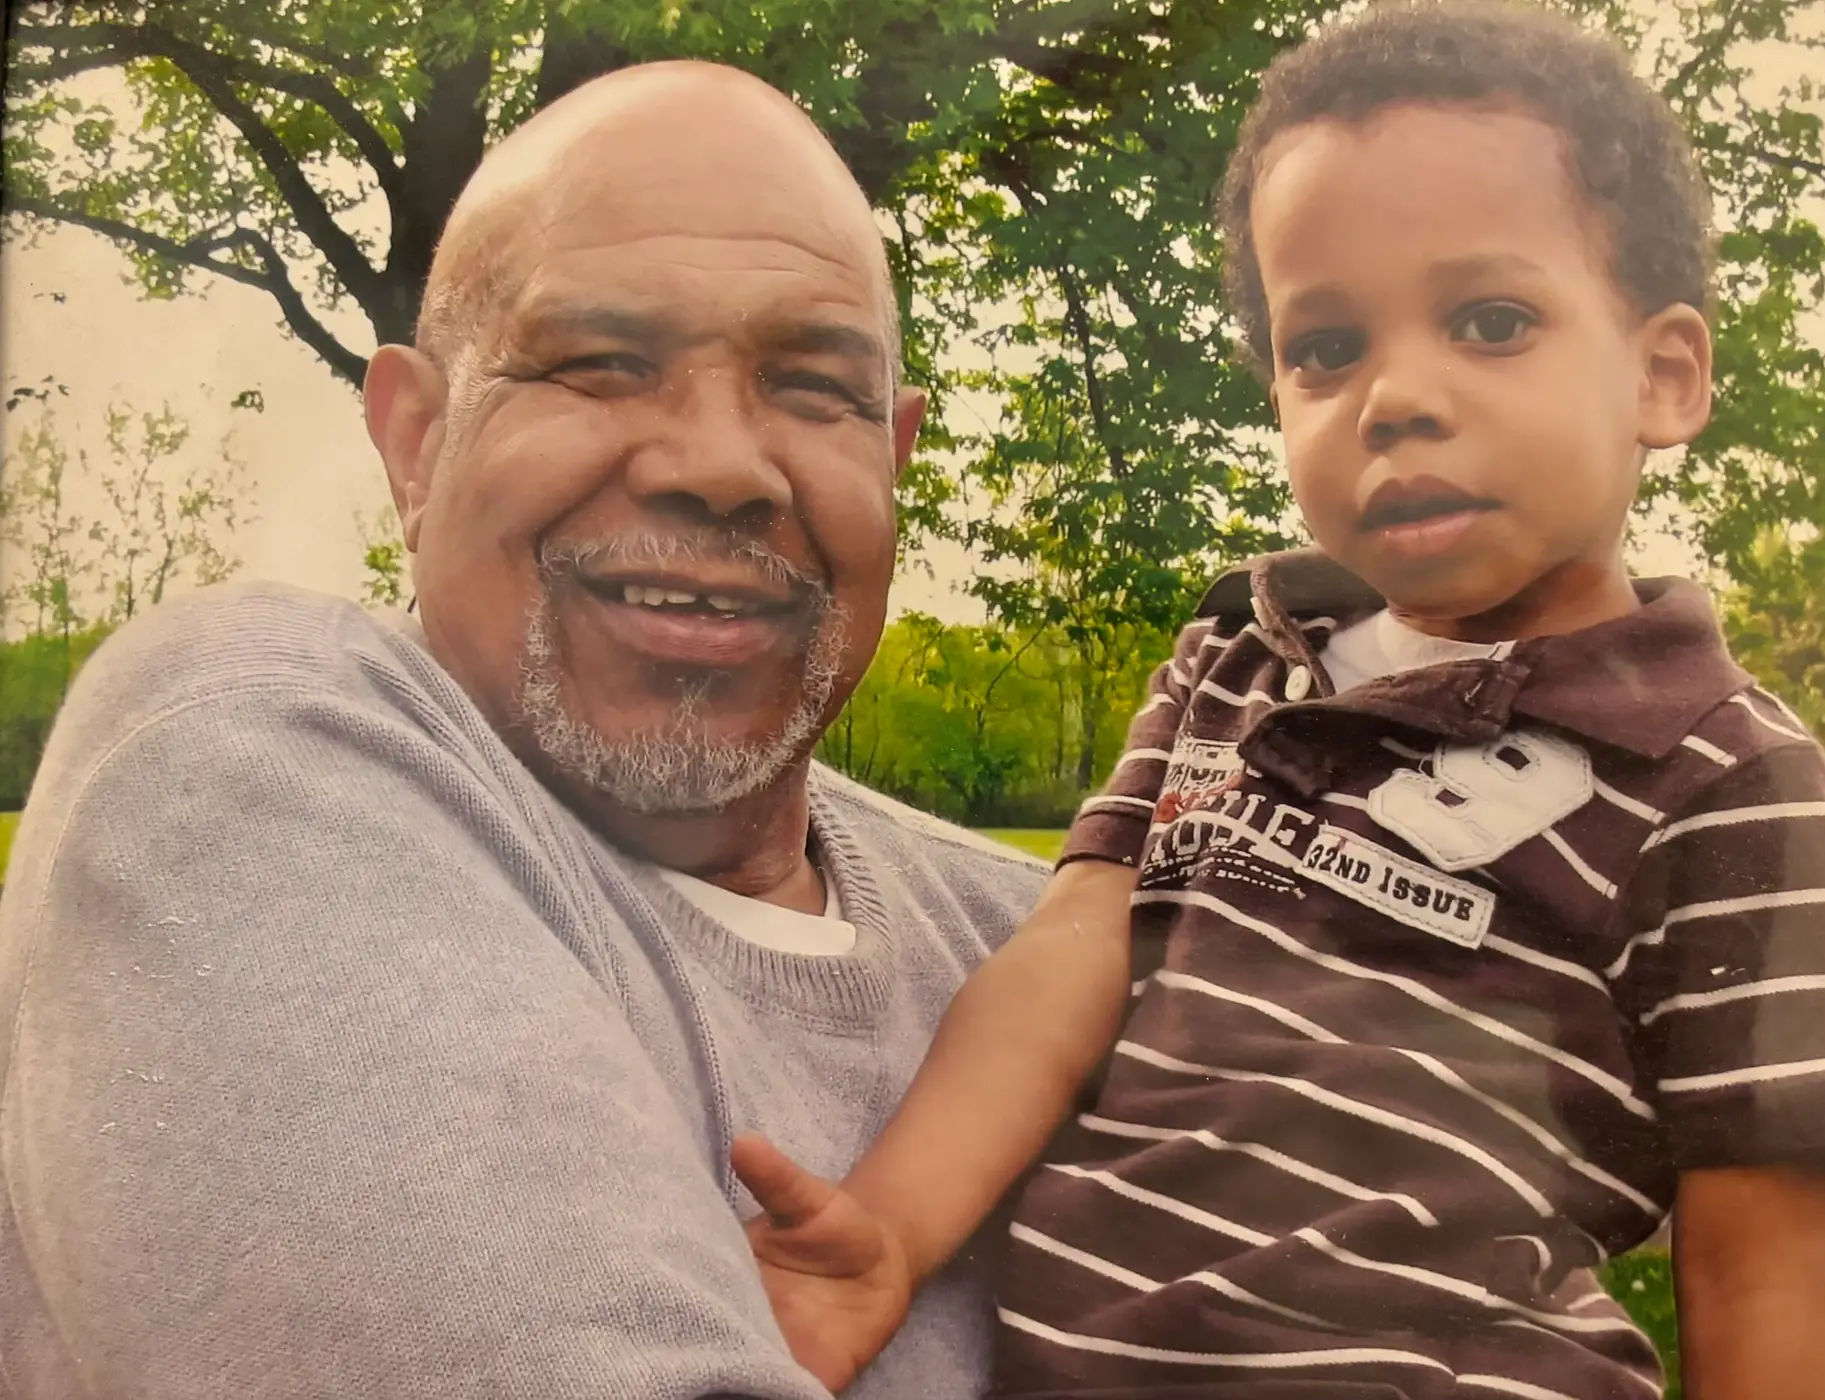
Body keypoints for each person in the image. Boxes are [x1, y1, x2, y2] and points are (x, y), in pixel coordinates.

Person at [731, 6, 1825, 1399]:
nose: (1395, 397)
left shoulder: (1731, 784)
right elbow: (1068, 964)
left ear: (1664, 373)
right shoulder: (1235, 663)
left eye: (1491, 321)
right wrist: (894, 1232)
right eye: (1326, 348)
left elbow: (1755, 1284)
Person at [0, 62, 1048, 1400]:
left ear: (894, 457)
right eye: (602, 365)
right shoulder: (231, 763)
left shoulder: (1053, 946)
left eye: (814, 388)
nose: (724, 465)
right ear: (415, 442)